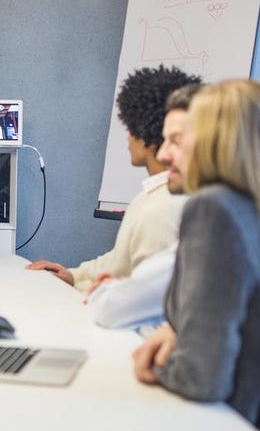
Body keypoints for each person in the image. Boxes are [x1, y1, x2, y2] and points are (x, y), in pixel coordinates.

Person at [132, 80, 260, 426]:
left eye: (178, 141)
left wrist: (156, 359)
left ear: (215, 142)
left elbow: (200, 379)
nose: (162, 155)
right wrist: (182, 333)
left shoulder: (215, 209)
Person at [27, 65, 201, 291]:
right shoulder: (150, 197)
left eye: (129, 128)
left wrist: (85, 287)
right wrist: (74, 275)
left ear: (146, 133)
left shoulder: (162, 209)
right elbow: (119, 259)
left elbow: (141, 295)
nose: (127, 139)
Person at [87, 84, 200, 329]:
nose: (165, 153)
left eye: (176, 141)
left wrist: (112, 290)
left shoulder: (168, 210)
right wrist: (76, 276)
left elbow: (116, 308)